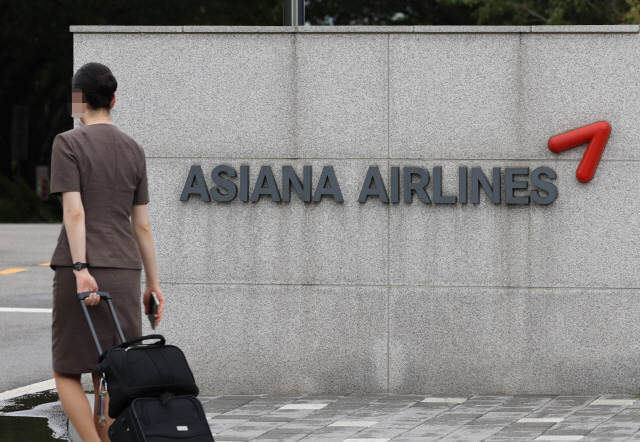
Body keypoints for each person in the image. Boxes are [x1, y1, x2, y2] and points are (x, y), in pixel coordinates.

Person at [49, 61, 165, 442]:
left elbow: (75, 211)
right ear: (114, 99)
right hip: (127, 270)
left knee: (67, 370)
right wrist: (154, 284)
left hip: (81, 267)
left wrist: (81, 267)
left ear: (77, 99)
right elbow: (142, 225)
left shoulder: (68, 142)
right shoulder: (134, 149)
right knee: (113, 371)